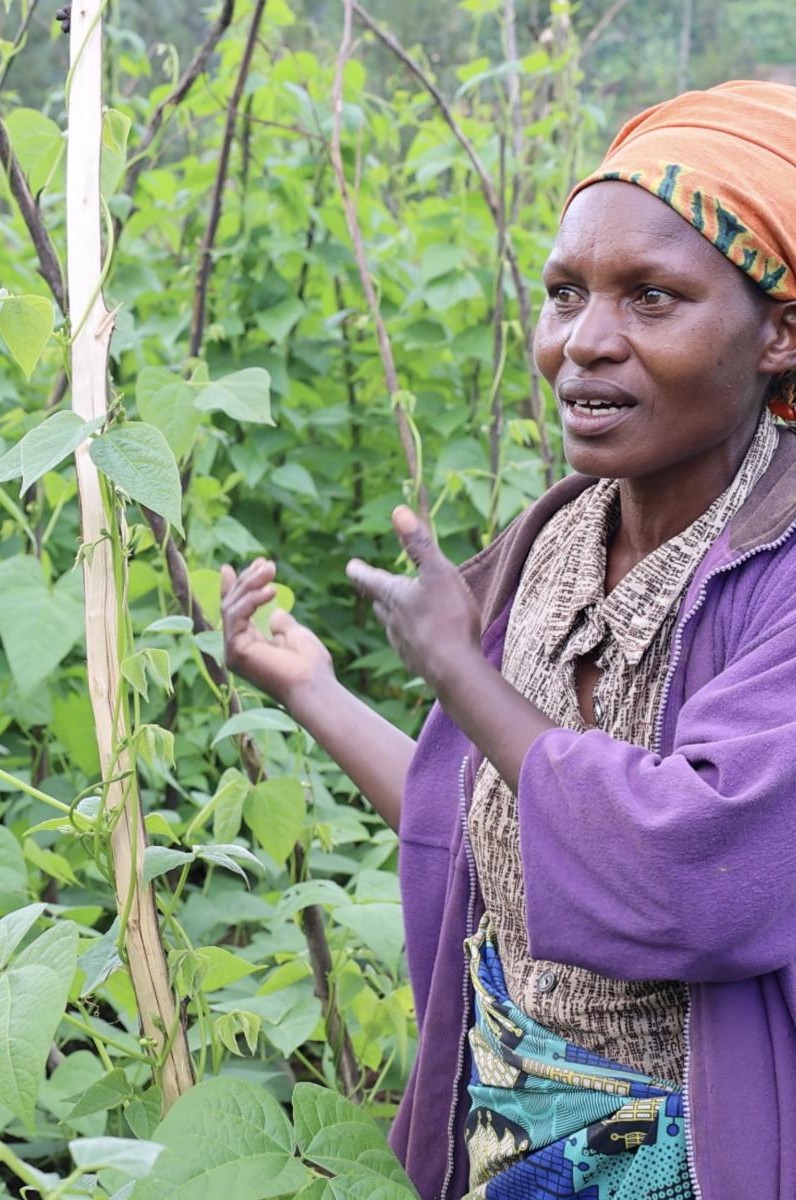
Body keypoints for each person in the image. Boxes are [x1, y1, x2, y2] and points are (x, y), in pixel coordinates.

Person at [220, 80, 796, 1199]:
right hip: (499, 1132)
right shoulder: (557, 544)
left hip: (699, 1154)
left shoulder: (774, 584)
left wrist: (457, 669)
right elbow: (493, 821)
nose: (585, 343)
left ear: (779, 332)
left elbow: (693, 876)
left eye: (654, 299)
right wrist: (319, 692)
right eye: (564, 294)